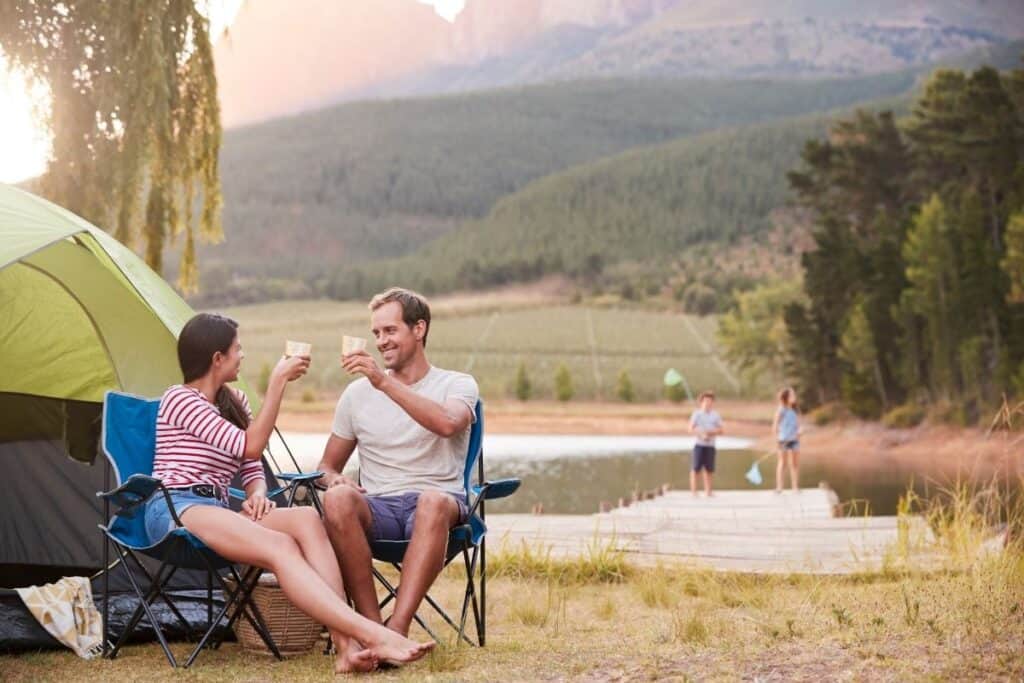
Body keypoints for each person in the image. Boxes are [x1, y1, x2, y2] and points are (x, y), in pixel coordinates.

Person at [144, 313, 432, 673]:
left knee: (307, 519)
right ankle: (375, 634)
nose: (243, 355)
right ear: (217, 358)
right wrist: (278, 383)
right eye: (237, 349)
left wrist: (259, 491)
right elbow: (249, 446)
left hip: (215, 508)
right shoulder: (180, 399)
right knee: (280, 546)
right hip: (175, 507)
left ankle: (346, 648)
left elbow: (250, 467)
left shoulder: (235, 402)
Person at [317, 287, 478, 647]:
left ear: (418, 329)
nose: (381, 341)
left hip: (439, 506)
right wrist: (335, 480)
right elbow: (326, 466)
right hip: (379, 507)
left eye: (390, 331)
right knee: (338, 499)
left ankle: (398, 629)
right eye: (376, 333)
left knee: (433, 502)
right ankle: (373, 630)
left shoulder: (457, 384)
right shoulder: (356, 395)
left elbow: (448, 423)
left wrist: (383, 383)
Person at [688, 390, 723, 496]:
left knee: (709, 470)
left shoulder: (715, 415)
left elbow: (721, 430)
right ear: (701, 402)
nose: (708, 403)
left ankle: (708, 492)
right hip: (699, 445)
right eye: (706, 401)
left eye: (710, 401)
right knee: (696, 468)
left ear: (712, 402)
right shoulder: (696, 414)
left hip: (710, 446)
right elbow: (690, 429)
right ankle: (694, 492)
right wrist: (701, 434)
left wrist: (710, 433)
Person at [772, 386, 801, 493]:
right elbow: (775, 426)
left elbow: (798, 425)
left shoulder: (795, 410)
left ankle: (795, 487)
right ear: (786, 397)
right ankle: (779, 487)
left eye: (794, 395)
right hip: (783, 440)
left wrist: (799, 432)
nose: (794, 397)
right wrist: (777, 441)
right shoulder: (781, 410)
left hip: (794, 440)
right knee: (782, 463)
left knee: (794, 464)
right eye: (792, 395)